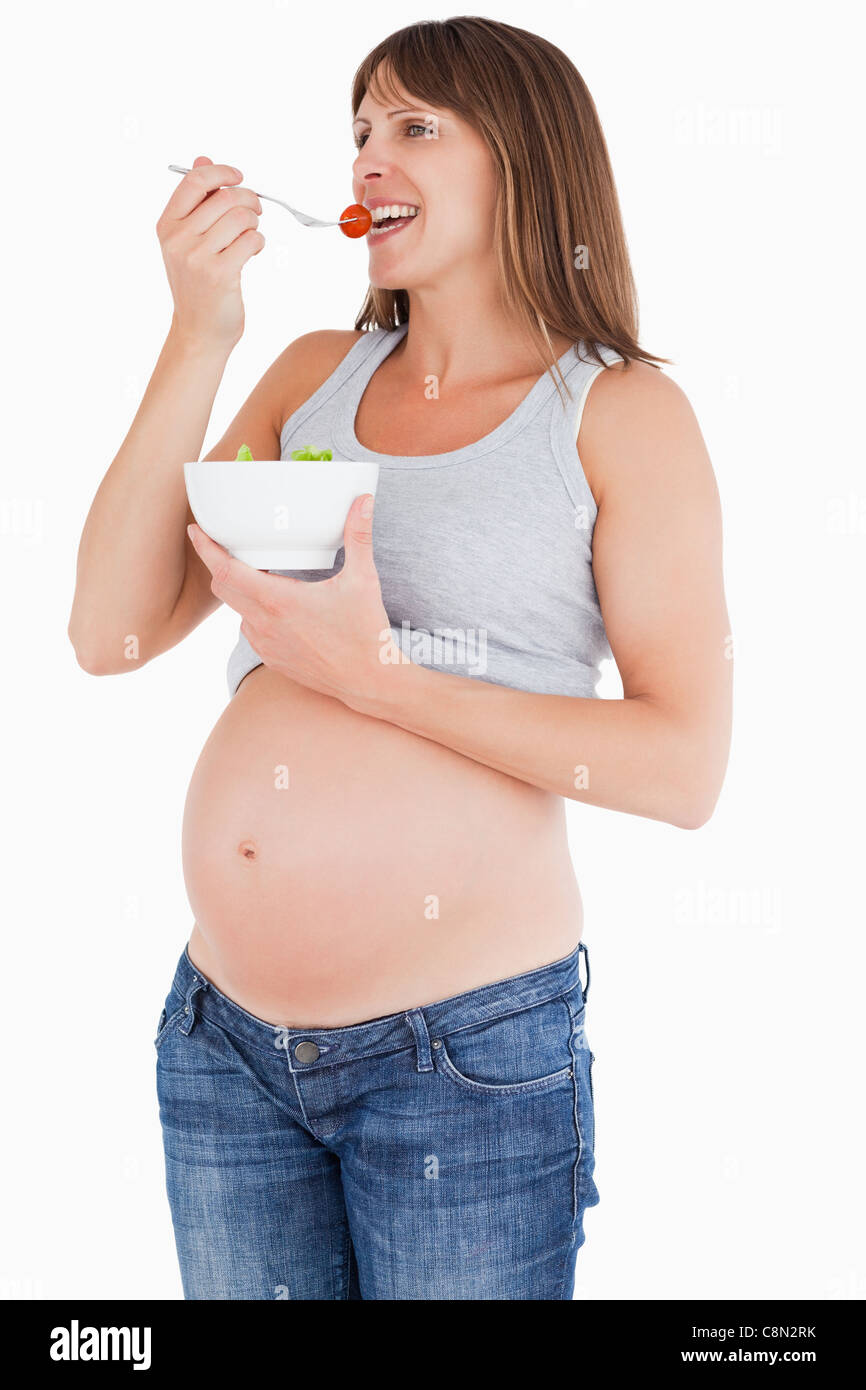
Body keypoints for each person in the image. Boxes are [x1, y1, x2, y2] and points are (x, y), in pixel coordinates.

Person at [68, 16, 732, 1300]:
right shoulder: (313, 372)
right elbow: (110, 633)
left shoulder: (619, 414)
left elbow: (682, 767)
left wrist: (377, 677)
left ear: (530, 162)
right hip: (224, 1045)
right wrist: (201, 331)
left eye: (417, 127)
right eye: (361, 129)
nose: (371, 157)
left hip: (462, 1059)